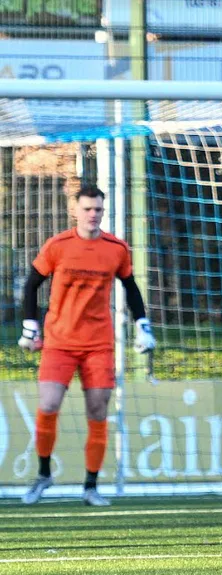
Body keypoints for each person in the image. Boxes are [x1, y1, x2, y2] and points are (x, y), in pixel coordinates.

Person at [19, 185, 157, 507]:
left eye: (98, 209)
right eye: (87, 209)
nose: (93, 214)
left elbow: (131, 288)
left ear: (103, 212)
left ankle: (91, 486)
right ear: (75, 211)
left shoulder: (116, 249)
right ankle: (43, 474)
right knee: (48, 404)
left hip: (98, 345)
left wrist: (142, 325)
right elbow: (31, 284)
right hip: (59, 342)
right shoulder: (58, 246)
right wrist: (30, 326)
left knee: (97, 410)